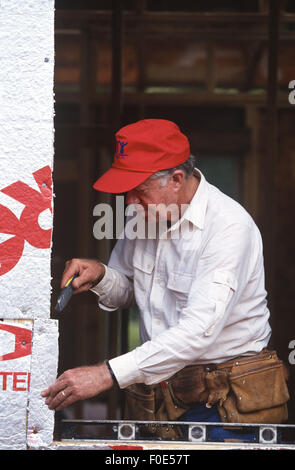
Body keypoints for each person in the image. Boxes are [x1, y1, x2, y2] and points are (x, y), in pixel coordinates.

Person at [42, 119, 289, 441]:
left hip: (228, 401)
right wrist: (102, 275)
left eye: (139, 190)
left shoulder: (228, 228)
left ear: (175, 179)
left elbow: (197, 332)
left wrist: (107, 374)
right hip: (166, 395)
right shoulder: (143, 214)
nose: (130, 202)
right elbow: (131, 291)